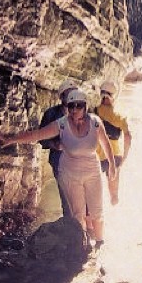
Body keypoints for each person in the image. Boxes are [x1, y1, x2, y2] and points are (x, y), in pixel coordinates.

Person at [0, 89, 116, 249]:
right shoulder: (62, 124)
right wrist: (11, 140)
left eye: (78, 106)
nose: (74, 110)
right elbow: (36, 135)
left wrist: (112, 166)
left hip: (92, 172)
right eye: (71, 106)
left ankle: (100, 243)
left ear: (85, 106)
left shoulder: (95, 122)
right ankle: (82, 245)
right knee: (78, 213)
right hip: (70, 173)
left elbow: (106, 144)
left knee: (97, 212)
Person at [39, 78, 78, 217]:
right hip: (59, 160)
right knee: (66, 198)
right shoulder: (51, 114)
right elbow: (41, 139)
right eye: (68, 93)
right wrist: (54, 144)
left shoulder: (82, 114)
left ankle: (87, 232)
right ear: (62, 96)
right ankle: (71, 228)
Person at [95, 80, 131, 205]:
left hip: (97, 157)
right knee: (114, 194)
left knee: (93, 192)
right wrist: (125, 157)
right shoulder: (120, 117)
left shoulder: (93, 112)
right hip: (115, 157)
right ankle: (116, 216)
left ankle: (96, 218)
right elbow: (128, 137)